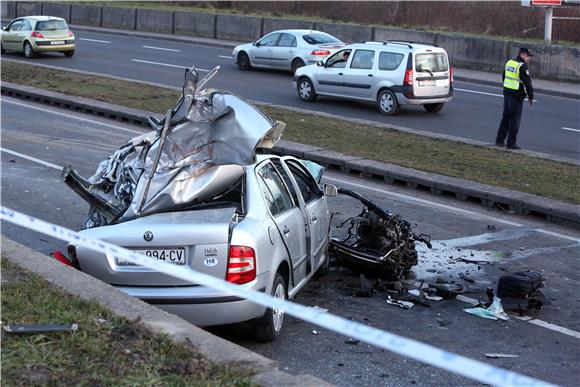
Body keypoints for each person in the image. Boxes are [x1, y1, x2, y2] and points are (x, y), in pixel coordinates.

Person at [495, 47, 534, 150]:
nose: (528, 58)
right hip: (516, 96)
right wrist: (531, 96)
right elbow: (528, 83)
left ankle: (499, 140)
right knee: (515, 120)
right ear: (522, 54)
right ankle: (511, 143)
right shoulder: (522, 66)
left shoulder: (510, 62)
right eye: (527, 55)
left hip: (507, 93)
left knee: (506, 118)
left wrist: (506, 87)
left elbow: (504, 76)